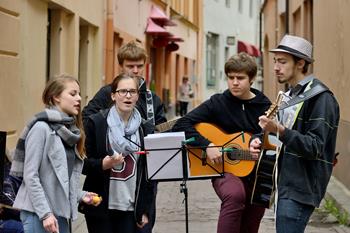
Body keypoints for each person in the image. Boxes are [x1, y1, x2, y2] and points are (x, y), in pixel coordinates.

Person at [249, 35, 340, 233]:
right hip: (285, 182)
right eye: (275, 61)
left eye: (282, 62)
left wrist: (280, 130)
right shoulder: (290, 95)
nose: (275, 67)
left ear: (300, 63)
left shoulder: (321, 98)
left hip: (301, 187)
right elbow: (277, 135)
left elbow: (315, 146)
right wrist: (258, 140)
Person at [172, 52, 271, 233]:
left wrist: (259, 140)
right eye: (230, 77)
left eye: (240, 78)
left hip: (257, 172)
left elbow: (271, 135)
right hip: (225, 168)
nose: (234, 82)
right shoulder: (218, 102)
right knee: (235, 195)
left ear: (252, 79)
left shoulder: (264, 105)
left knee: (252, 219)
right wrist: (207, 145)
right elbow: (181, 124)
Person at [82, 40, 166, 233]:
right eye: (130, 66)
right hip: (109, 180)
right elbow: (87, 118)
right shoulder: (107, 93)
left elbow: (161, 131)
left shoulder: (152, 99)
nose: (135, 70)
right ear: (121, 66)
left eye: (139, 66)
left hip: (141, 176)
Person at [9, 75, 100, 233]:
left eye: (79, 93)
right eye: (72, 94)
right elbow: (31, 176)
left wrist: (80, 195)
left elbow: (58, 179)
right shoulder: (41, 129)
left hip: (58, 213)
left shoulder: (70, 131)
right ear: (56, 97)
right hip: (38, 213)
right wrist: (45, 214)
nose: (79, 98)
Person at [80, 74, 155, 233]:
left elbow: (149, 176)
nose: (128, 96)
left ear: (137, 97)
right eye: (122, 91)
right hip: (101, 204)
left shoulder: (146, 129)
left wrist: (145, 209)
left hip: (130, 206)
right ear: (113, 95)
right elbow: (82, 165)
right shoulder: (96, 123)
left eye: (132, 92)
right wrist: (103, 164)